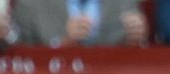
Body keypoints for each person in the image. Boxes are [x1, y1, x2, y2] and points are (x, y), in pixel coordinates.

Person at [10, 0, 146, 47]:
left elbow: (140, 56)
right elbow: (19, 60)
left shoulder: (125, 2)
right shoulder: (30, 5)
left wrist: (134, 41)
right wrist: (63, 43)